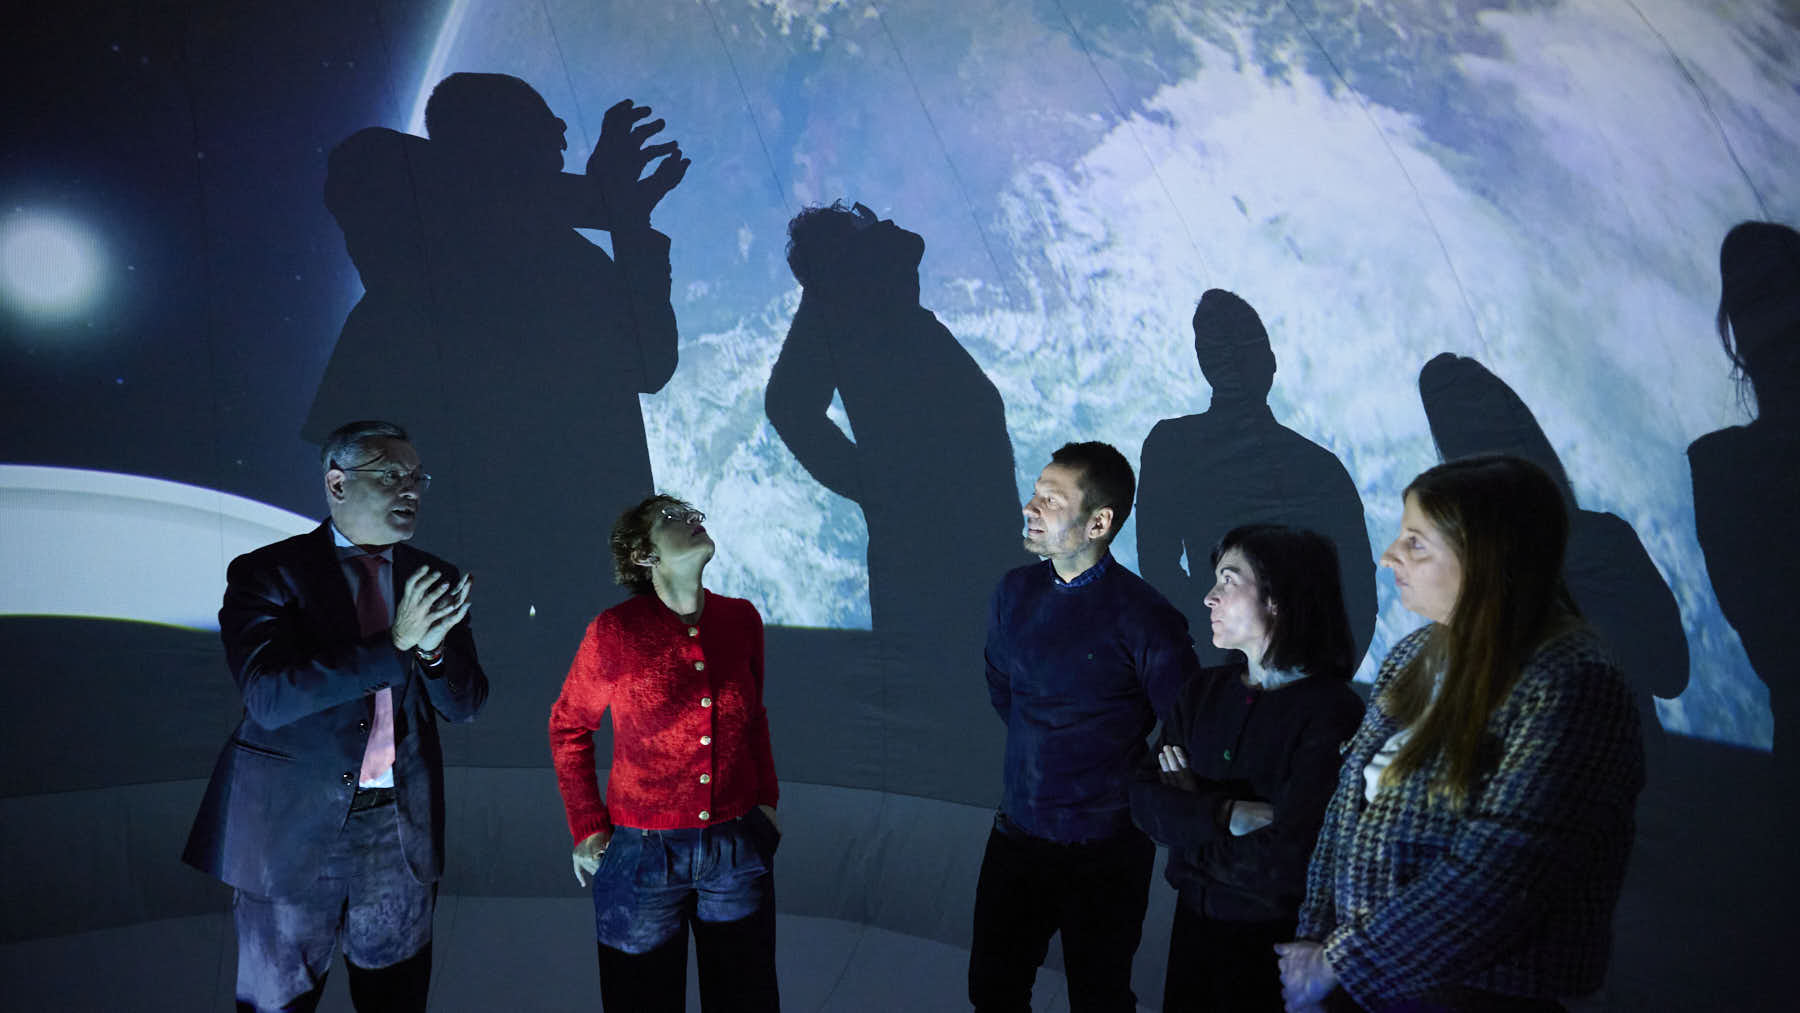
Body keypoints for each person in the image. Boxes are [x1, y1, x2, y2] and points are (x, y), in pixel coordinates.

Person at [305, 75, 689, 767]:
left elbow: (649, 364)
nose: (563, 140)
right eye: (545, 127)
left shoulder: (447, 247)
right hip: (494, 531)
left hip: (520, 530)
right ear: (493, 143)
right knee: (477, 702)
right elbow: (651, 363)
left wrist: (618, 214)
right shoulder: (425, 228)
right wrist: (610, 207)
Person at [1278, 455, 1644, 1013]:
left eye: (1416, 543)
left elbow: (1501, 875)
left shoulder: (1571, 681)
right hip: (1366, 986)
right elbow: (1345, 811)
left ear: (1487, 554)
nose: (1389, 556)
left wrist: (1334, 963)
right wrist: (1313, 940)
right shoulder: (1411, 656)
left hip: (1481, 997)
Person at [183, 420, 488, 1012]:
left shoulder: (433, 576)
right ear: (337, 483)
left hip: (397, 835)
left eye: (417, 477)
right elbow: (269, 698)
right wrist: (396, 642)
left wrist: (429, 651)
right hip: (290, 834)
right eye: (391, 474)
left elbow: (466, 704)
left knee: (396, 1000)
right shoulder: (267, 573)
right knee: (276, 1004)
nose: (411, 489)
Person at [970, 441, 1202, 1013]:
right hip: (1017, 834)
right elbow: (1004, 690)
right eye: (1034, 492)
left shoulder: (1146, 618)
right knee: (993, 993)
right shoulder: (1013, 593)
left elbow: (1186, 723)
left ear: (1099, 522)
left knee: (1099, 999)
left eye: (1051, 499)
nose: (1031, 507)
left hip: (1106, 852)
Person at [549, 495, 781, 1012]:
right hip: (641, 856)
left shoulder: (741, 620)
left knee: (748, 997)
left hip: (736, 846)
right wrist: (587, 825)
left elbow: (755, 718)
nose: (695, 520)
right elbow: (568, 726)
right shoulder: (615, 632)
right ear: (644, 555)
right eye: (673, 519)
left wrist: (766, 803)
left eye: (694, 514)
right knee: (640, 998)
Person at [1130, 525, 1365, 1012]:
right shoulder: (1203, 691)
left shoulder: (1330, 710)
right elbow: (1143, 799)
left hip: (1274, 949)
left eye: (1228, 580)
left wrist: (1190, 817)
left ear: (1278, 596)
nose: (1210, 597)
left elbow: (1292, 859)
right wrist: (1225, 815)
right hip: (1193, 932)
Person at [1137, 290, 1376, 669]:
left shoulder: (1173, 446)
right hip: (1273, 670)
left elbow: (1158, 568)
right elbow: (1360, 592)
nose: (1233, 359)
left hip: (1234, 668)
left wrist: (1219, 645)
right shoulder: (1321, 466)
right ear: (1270, 362)